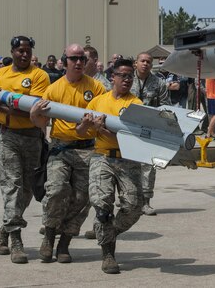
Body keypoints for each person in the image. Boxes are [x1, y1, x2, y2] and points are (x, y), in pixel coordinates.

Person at [29, 44, 106, 263]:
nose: (79, 62)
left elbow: (102, 120)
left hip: (87, 149)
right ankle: (49, 236)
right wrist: (34, 116)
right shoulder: (54, 89)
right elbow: (41, 121)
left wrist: (89, 128)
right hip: (61, 148)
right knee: (56, 190)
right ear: (65, 61)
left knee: (83, 198)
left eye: (82, 58)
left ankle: (65, 242)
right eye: (74, 58)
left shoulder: (97, 88)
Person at [0, 36, 50, 264]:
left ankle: (3, 231)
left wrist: (1, 106)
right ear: (12, 51)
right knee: (12, 186)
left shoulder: (39, 75)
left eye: (27, 51)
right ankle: (16, 240)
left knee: (28, 190)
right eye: (20, 51)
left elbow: (34, 111)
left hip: (32, 137)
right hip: (6, 136)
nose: (24, 55)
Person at [76, 58, 143, 274]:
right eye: (122, 75)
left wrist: (101, 130)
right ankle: (108, 255)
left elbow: (125, 139)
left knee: (133, 207)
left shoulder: (136, 105)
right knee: (102, 205)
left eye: (130, 76)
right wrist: (87, 126)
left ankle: (108, 231)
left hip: (126, 160)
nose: (127, 80)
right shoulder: (97, 102)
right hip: (101, 157)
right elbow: (81, 132)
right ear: (112, 77)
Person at [131, 52, 171, 216]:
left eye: (148, 61)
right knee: (128, 165)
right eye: (142, 61)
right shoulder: (126, 79)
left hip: (149, 129)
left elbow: (165, 107)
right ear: (136, 63)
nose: (145, 64)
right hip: (129, 128)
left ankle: (146, 202)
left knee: (148, 166)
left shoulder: (158, 83)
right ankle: (130, 200)